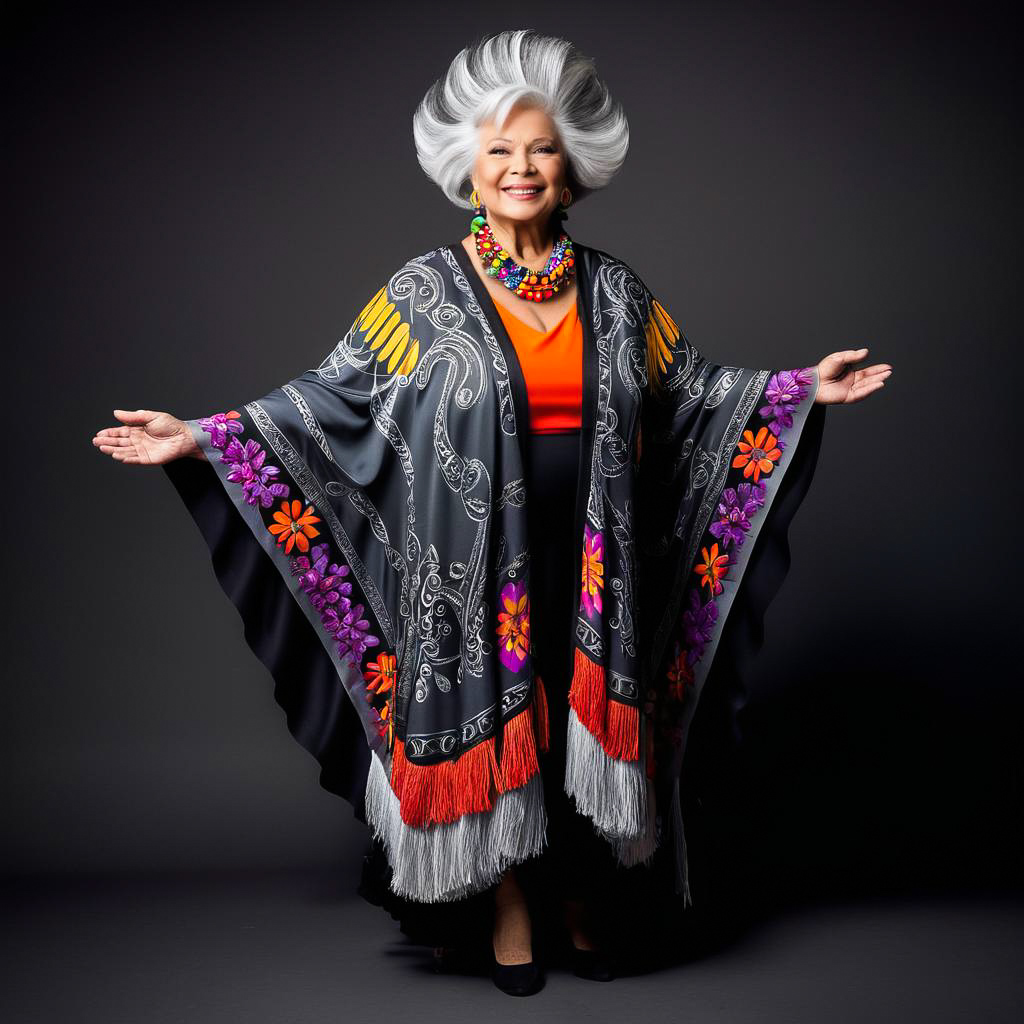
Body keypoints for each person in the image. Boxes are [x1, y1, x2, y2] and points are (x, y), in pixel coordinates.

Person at [91, 29, 891, 996]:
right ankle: (509, 904)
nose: (521, 167)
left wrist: (801, 389)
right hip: (470, 567)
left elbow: (689, 397)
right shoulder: (419, 295)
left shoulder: (619, 293)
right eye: (501, 150)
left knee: (578, 727)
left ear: (574, 168)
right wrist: (208, 435)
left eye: (541, 148)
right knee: (497, 720)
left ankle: (582, 897)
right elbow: (331, 400)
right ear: (468, 168)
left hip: (598, 560)